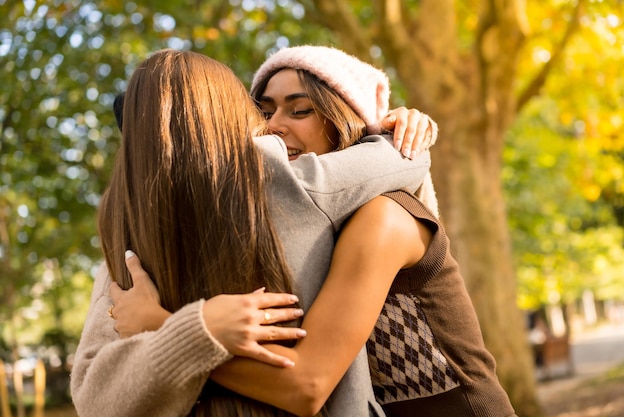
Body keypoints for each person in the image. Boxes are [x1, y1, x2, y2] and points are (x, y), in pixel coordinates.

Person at [111, 46, 515, 417]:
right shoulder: (299, 222)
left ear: (344, 118)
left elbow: (306, 385)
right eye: (264, 112)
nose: (274, 127)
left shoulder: (382, 217)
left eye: (298, 110)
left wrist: (162, 328)